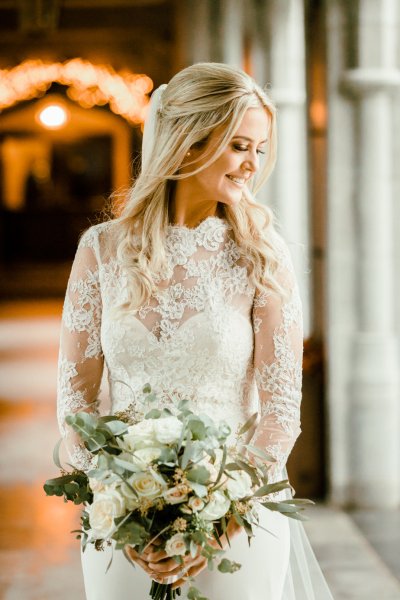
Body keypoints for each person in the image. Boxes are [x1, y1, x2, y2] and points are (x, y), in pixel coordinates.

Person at [57, 62, 334, 599]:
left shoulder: (262, 256)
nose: (253, 164)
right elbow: (76, 402)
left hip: (238, 523)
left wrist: (210, 519)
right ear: (187, 144)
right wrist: (121, 506)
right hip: (122, 526)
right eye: (238, 146)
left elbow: (280, 416)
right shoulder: (102, 251)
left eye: (259, 148)